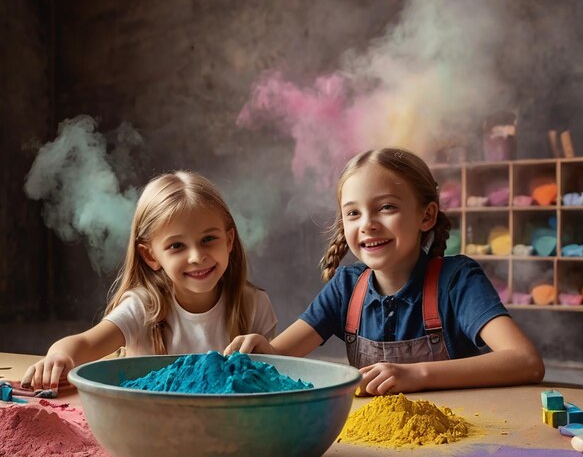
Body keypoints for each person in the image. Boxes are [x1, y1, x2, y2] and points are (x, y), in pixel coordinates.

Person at [225, 148, 544, 395]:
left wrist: (417, 375)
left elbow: (525, 361)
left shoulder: (457, 280)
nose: (368, 224)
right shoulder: (346, 288)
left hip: (459, 442)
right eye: (353, 213)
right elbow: (278, 357)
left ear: (427, 216)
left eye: (386, 207)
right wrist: (260, 349)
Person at [23, 171, 277, 390]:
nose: (197, 257)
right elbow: (86, 343)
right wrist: (59, 356)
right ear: (150, 255)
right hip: (150, 431)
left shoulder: (254, 304)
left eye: (208, 239)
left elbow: (272, 382)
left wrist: (269, 353)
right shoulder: (142, 307)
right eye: (177, 246)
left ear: (229, 240)